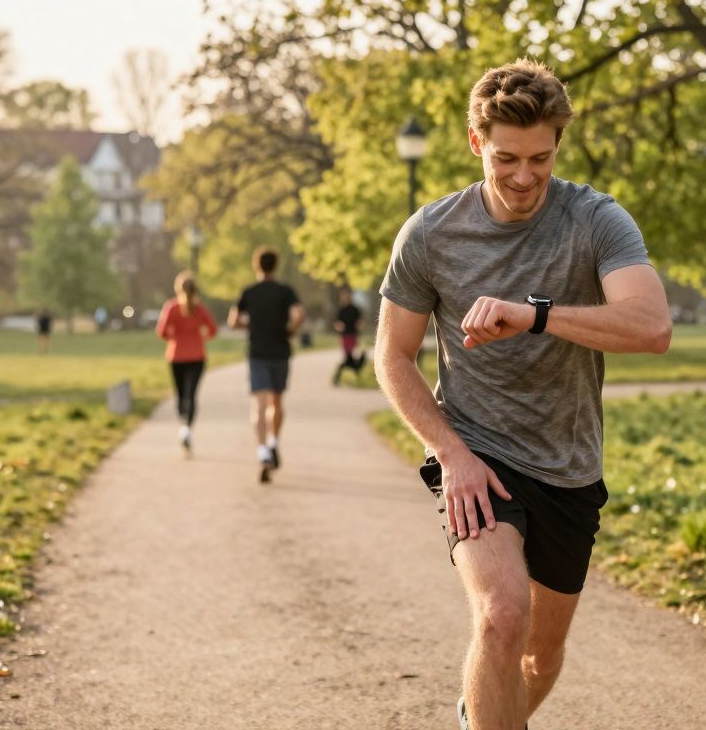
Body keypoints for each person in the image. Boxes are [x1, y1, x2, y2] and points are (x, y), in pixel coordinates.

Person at [375, 59, 671, 730]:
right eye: (506, 157)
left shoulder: (597, 220)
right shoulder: (430, 234)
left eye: (541, 158)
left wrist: (533, 313)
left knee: (540, 656)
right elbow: (392, 357)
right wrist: (450, 454)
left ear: (558, 145)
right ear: (476, 143)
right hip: (478, 454)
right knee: (501, 617)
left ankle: (476, 712)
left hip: (569, 464)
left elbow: (652, 328)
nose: (524, 176)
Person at [229, 247, 304, 483]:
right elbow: (299, 314)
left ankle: (262, 452)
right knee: (277, 402)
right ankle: (273, 443)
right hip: (280, 352)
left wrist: (249, 326)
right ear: (275, 265)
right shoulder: (286, 292)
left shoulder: (249, 292)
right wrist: (291, 329)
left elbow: (233, 321)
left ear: (256, 266)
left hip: (257, 353)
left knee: (258, 405)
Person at [156, 272, 218, 455]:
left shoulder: (171, 307)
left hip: (176, 356)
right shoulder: (200, 309)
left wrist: (174, 337)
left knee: (181, 394)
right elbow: (213, 330)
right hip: (197, 356)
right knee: (191, 394)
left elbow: (161, 332)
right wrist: (201, 338)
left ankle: (183, 425)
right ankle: (187, 429)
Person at [332, 288, 367, 386]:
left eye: (347, 296)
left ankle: (338, 378)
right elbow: (336, 323)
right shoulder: (341, 310)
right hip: (345, 336)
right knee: (348, 357)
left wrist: (359, 324)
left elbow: (361, 321)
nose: (345, 298)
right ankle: (356, 370)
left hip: (353, 335)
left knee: (348, 358)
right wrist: (339, 326)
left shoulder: (355, 309)